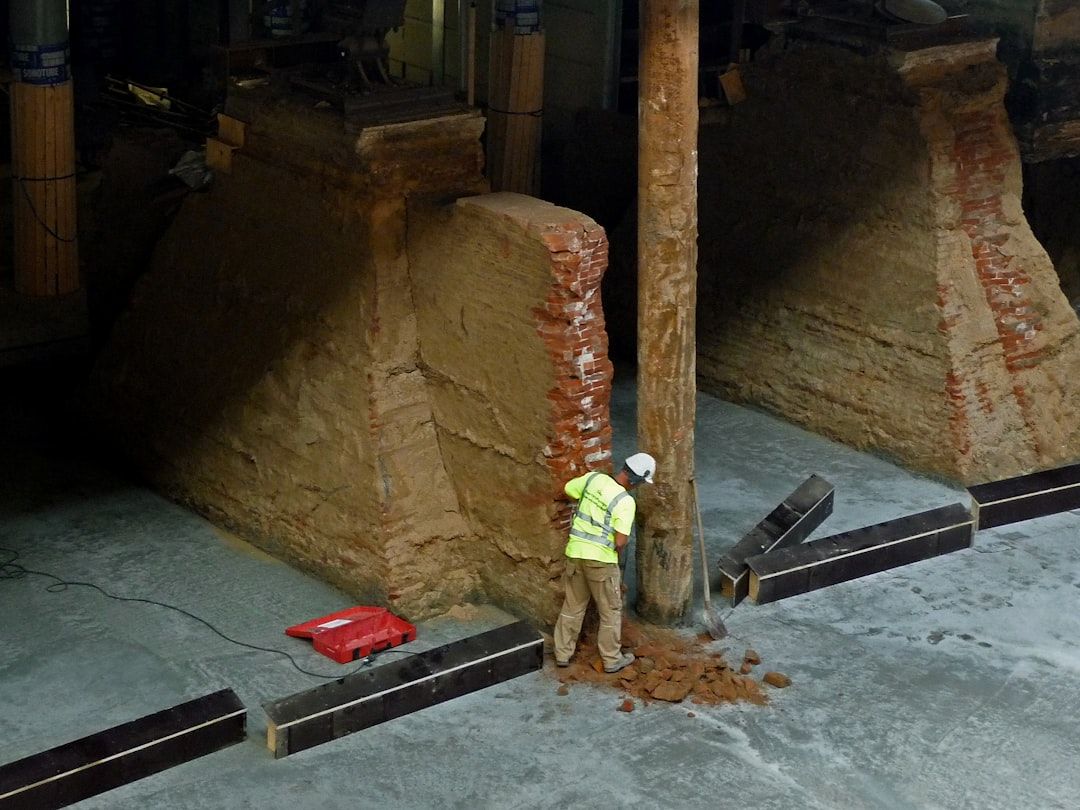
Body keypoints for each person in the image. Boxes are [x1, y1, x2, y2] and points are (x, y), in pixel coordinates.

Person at [553, 452, 656, 673]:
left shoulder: (594, 478)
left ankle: (562, 653)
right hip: (601, 562)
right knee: (610, 610)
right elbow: (620, 540)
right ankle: (611, 659)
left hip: (575, 553)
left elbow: (570, 490)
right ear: (636, 480)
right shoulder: (625, 502)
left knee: (572, 606)